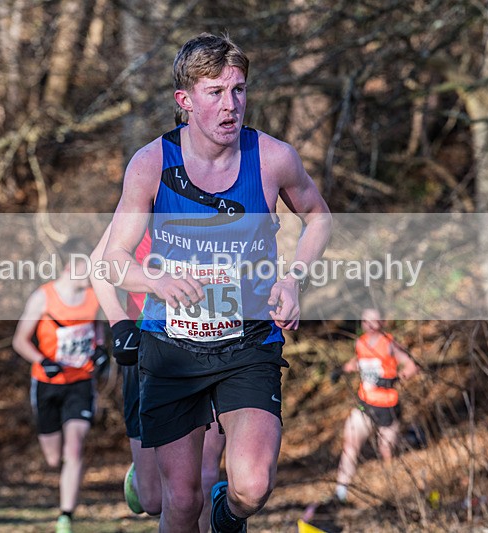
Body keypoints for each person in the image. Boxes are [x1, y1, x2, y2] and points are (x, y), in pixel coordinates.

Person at [102, 33, 332, 533]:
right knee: (179, 502)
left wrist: (293, 279)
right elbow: (114, 261)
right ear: (185, 101)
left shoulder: (272, 158)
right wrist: (156, 282)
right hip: (172, 345)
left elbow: (319, 218)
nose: (231, 105)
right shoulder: (151, 163)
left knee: (251, 485)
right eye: (215, 92)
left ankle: (229, 519)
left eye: (239, 90)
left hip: (248, 341)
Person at [90, 224, 227, 532]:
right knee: (153, 500)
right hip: (147, 344)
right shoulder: (149, 192)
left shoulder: (222, 196)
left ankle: (220, 512)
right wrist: (120, 325)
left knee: (205, 475)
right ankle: (140, 478)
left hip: (213, 347)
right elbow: (98, 265)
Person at [12, 237, 107, 533]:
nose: (91, 275)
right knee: (54, 458)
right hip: (47, 384)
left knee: (75, 448)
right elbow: (19, 341)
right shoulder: (44, 298)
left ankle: (66, 515)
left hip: (80, 383)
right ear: (71, 267)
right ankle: (61, 485)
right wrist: (43, 360)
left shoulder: (94, 299)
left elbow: (98, 330)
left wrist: (101, 351)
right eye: (87, 268)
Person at [328, 307, 419, 505]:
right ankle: (340, 493)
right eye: (365, 321)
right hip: (365, 405)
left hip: (387, 407)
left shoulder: (389, 344)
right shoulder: (360, 343)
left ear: (382, 323)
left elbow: (411, 365)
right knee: (350, 446)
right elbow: (359, 362)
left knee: (387, 452)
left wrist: (398, 376)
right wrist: (341, 370)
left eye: (373, 321)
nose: (369, 325)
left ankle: (393, 496)